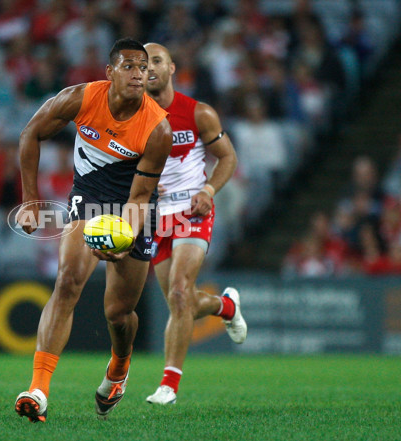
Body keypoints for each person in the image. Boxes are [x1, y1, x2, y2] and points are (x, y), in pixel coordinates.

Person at [13, 38, 172, 422]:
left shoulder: (158, 129)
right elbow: (30, 134)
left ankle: (119, 367)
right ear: (110, 72)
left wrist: (125, 238)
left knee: (118, 313)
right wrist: (32, 199)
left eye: (144, 67)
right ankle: (38, 389)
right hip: (90, 195)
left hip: (135, 206)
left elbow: (139, 198)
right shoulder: (81, 98)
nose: (140, 73)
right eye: (130, 66)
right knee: (67, 280)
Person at [143, 42, 247, 405]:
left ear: (172, 68)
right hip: (157, 218)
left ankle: (168, 385)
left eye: (157, 61)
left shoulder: (198, 113)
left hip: (192, 211)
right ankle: (225, 307)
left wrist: (208, 189)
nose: (149, 68)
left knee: (178, 290)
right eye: (143, 64)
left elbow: (228, 158)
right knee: (181, 304)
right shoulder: (129, 117)